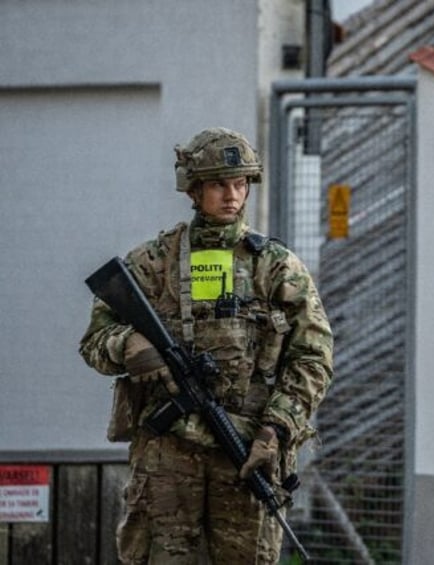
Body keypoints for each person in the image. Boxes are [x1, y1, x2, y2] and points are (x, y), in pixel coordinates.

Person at [79, 127, 334, 564]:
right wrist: (129, 344)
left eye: (240, 184)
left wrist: (276, 427)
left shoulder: (275, 267)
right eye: (219, 184)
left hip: (247, 449)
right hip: (167, 458)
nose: (232, 195)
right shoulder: (153, 263)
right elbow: (94, 342)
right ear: (194, 190)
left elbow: (313, 357)